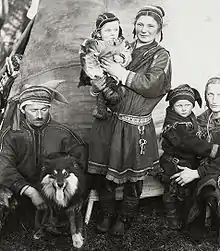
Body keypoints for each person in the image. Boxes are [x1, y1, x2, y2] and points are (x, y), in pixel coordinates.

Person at [87, 5, 172, 236]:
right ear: (134, 25)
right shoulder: (122, 46)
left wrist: (120, 72)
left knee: (133, 179)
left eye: (150, 26)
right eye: (140, 24)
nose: (144, 29)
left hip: (135, 125)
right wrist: (99, 84)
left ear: (159, 29)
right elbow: (98, 72)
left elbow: (153, 84)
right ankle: (106, 213)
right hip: (109, 120)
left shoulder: (160, 55)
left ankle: (125, 217)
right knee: (105, 171)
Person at [0, 80, 87, 229]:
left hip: (52, 187)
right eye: (33, 110)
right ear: (22, 109)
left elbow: (81, 162)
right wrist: (31, 192)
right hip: (20, 186)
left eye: (44, 109)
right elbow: (4, 167)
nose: (39, 115)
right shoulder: (11, 134)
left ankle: (56, 217)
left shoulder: (63, 134)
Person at [160, 84, 220, 230]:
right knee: (173, 189)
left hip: (205, 166)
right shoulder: (183, 123)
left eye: (188, 105)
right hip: (176, 163)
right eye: (210, 94)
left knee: (189, 191)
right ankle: (174, 215)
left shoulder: (190, 118)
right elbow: (192, 142)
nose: (214, 100)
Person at [79, 12, 132, 119]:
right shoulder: (95, 44)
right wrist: (99, 74)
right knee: (104, 90)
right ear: (99, 33)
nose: (113, 33)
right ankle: (101, 109)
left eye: (115, 30)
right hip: (100, 72)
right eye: (108, 30)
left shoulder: (121, 42)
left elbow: (128, 52)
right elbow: (88, 58)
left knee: (121, 92)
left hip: (116, 73)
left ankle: (106, 109)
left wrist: (122, 58)